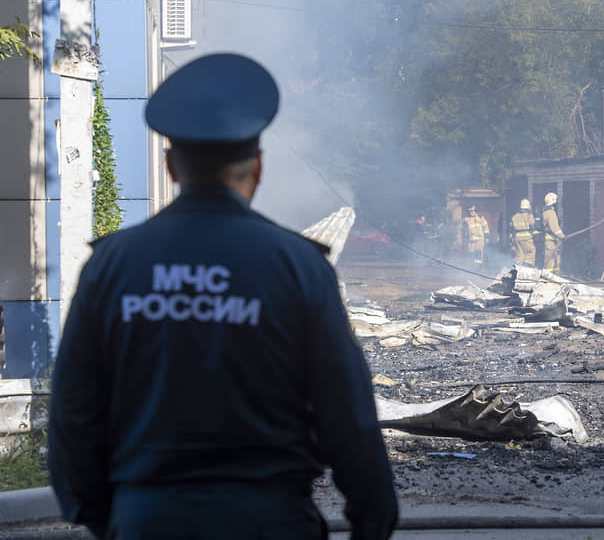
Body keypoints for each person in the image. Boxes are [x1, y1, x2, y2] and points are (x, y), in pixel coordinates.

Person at [48, 53, 398, 540]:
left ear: (171, 166)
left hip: (146, 518)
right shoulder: (297, 266)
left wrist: (108, 516)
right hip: (271, 521)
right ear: (256, 166)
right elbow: (347, 412)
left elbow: (72, 410)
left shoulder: (113, 265)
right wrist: (373, 519)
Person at [541, 192, 567, 273]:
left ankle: (555, 278)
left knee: (555, 262)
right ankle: (548, 280)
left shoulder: (546, 212)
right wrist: (562, 236)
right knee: (550, 263)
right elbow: (554, 228)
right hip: (551, 242)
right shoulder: (551, 213)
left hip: (553, 241)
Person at [509, 198, 538, 267]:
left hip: (517, 239)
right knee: (530, 252)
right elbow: (532, 226)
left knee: (519, 255)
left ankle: (517, 270)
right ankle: (527, 268)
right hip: (527, 238)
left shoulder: (514, 216)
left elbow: (511, 228)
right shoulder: (529, 215)